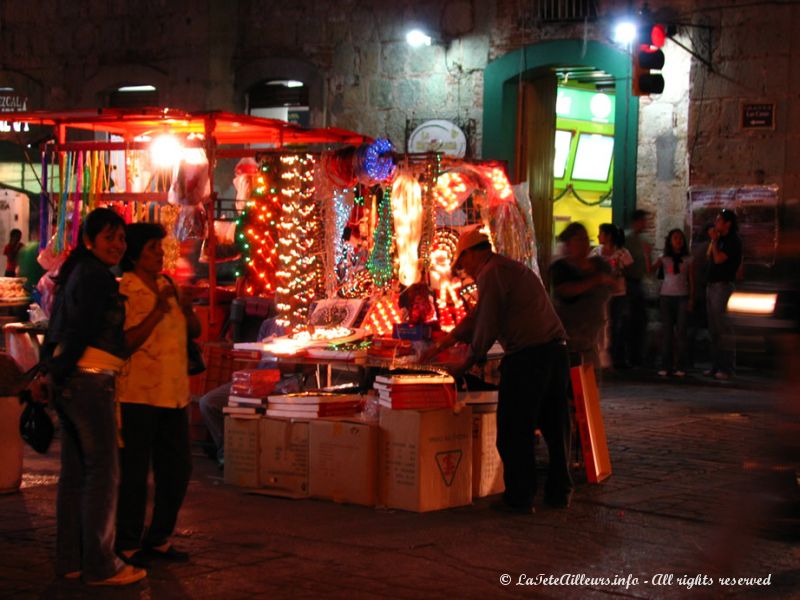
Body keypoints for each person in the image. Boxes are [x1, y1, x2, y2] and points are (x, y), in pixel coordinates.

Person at [421, 228, 572, 513]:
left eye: (462, 262)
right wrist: (447, 340)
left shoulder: (491, 273)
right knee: (554, 424)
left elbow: (486, 322)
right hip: (555, 351)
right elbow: (479, 315)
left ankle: (520, 496)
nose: (463, 269)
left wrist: (465, 364)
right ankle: (558, 492)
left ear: (471, 253)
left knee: (515, 428)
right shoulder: (506, 269)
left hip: (529, 356)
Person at [41, 208, 146, 586]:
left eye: (121, 238)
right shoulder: (95, 277)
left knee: (75, 474)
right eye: (109, 238)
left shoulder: (76, 272)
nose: (118, 245)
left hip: (73, 381)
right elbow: (82, 327)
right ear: (90, 240)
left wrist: (53, 370)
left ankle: (70, 560)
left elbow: (58, 326)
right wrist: (61, 368)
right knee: (103, 472)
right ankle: (101, 564)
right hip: (90, 379)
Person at [115, 222, 200, 564]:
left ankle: (160, 536)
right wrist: (158, 311)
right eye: (151, 247)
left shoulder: (167, 284)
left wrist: (187, 307)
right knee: (135, 473)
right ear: (135, 254)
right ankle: (127, 541)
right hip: (137, 395)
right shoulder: (126, 290)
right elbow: (125, 342)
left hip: (174, 395)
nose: (158, 254)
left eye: (159, 247)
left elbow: (192, 330)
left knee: (177, 470)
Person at [549, 223, 614, 367]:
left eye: (586, 239)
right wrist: (596, 280)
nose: (584, 244)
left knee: (590, 384)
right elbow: (565, 290)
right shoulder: (561, 268)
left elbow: (615, 285)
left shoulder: (600, 264)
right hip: (569, 341)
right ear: (568, 244)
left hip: (593, 341)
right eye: (579, 239)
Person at [705, 209, 742, 380]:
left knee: (723, 328)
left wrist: (714, 240)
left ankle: (727, 368)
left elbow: (719, 259)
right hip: (712, 285)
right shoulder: (718, 240)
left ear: (728, 223)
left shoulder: (732, 241)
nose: (716, 223)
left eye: (719, 220)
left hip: (723, 286)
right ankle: (716, 366)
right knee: (713, 329)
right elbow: (709, 257)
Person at [652, 229, 694, 377]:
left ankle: (681, 365)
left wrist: (691, 298)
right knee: (667, 332)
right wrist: (647, 254)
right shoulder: (664, 258)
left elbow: (691, 280)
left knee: (681, 332)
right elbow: (650, 269)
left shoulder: (688, 259)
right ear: (670, 241)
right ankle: (666, 365)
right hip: (666, 296)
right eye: (675, 238)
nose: (678, 241)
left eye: (680, 238)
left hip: (682, 296)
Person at [591, 224, 634, 369]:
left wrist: (619, 272)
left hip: (618, 293)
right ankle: (601, 357)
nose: (598, 236)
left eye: (600, 233)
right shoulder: (596, 253)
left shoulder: (622, 253)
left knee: (617, 326)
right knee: (602, 325)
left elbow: (630, 272)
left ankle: (616, 359)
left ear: (608, 236)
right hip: (601, 294)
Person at [624, 210, 652, 366]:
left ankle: (637, 356)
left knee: (640, 321)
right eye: (644, 221)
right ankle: (631, 356)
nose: (646, 224)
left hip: (638, 283)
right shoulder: (628, 239)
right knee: (632, 321)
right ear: (637, 221)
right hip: (630, 284)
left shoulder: (642, 240)